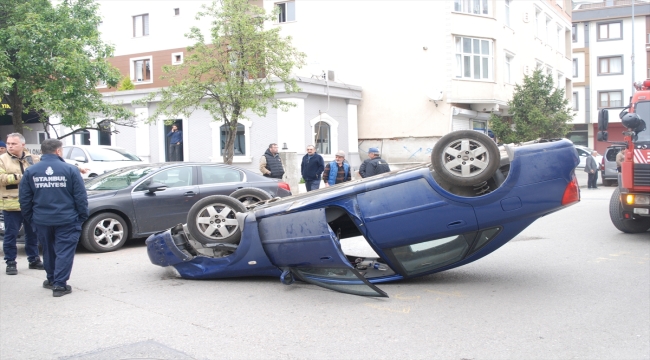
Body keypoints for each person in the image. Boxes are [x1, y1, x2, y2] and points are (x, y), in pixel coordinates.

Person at [19, 139, 88, 297]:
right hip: (67, 218)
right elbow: (80, 197)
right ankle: (59, 285)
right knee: (64, 251)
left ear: (42, 152)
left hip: (42, 219)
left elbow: (24, 199)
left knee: (48, 250)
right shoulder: (70, 170)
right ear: (58, 151)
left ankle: (51, 279)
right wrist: (82, 217)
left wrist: (31, 218)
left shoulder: (31, 171)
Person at [1, 133, 44, 275]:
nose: (10, 146)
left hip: (31, 203)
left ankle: (34, 259)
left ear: (22, 145)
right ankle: (11, 262)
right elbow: (2, 178)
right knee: (11, 235)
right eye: (8, 143)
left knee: (32, 233)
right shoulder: (2, 160)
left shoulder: (33, 158)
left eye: (13, 143)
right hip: (11, 204)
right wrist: (24, 176)